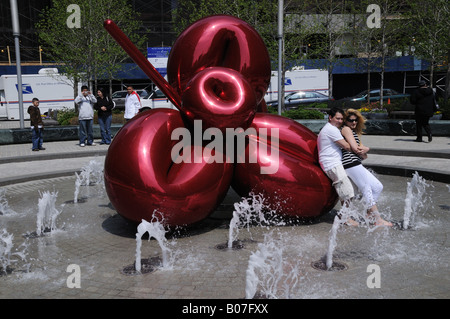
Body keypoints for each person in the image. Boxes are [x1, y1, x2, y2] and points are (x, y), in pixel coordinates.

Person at [341, 109, 392, 227]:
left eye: (356, 120)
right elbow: (356, 149)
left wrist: (363, 150)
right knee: (366, 189)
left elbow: (363, 155)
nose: (354, 123)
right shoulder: (346, 129)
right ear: (345, 121)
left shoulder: (352, 131)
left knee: (378, 187)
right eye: (351, 120)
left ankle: (369, 214)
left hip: (356, 163)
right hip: (350, 164)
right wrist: (365, 148)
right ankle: (377, 219)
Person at [318, 107, 362, 225]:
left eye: (342, 119)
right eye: (337, 118)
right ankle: (344, 218)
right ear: (330, 117)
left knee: (349, 190)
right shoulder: (331, 130)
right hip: (332, 164)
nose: (340, 121)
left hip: (333, 163)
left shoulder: (332, 129)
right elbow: (347, 147)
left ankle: (345, 215)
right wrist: (357, 146)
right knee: (348, 192)